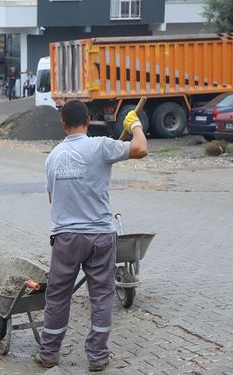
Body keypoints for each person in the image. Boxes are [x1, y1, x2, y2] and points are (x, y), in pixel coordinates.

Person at [35, 100, 148, 371]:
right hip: (99, 237)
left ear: (63, 124)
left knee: (58, 297)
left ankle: (49, 354)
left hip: (66, 239)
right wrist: (135, 124)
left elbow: (53, 200)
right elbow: (141, 148)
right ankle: (97, 357)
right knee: (101, 297)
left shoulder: (52, 157)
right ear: (88, 120)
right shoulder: (102, 146)